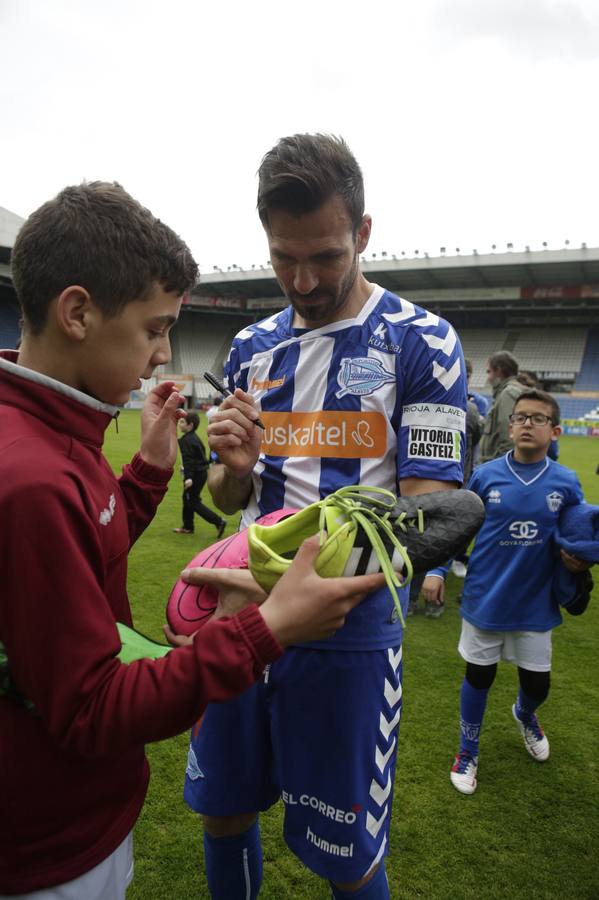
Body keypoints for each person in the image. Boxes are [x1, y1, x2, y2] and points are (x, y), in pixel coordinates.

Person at [0, 181, 388, 898]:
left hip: (62, 817)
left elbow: (81, 551)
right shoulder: (30, 474)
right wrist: (264, 629)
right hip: (47, 849)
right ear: (78, 312)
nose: (161, 355)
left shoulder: (49, 429)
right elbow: (90, 707)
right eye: (154, 329)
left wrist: (147, 474)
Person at [184, 133, 469, 899]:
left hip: (350, 632)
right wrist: (232, 470)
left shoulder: (422, 342)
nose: (302, 281)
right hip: (243, 612)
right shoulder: (251, 346)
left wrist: (316, 580)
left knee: (347, 855)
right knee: (223, 811)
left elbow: (426, 516)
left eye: (325, 257)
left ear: (364, 234)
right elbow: (223, 499)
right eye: (283, 258)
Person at [422, 389, 590, 795]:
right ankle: (467, 750)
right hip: (486, 597)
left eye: (538, 418)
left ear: (555, 430)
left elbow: (578, 536)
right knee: (479, 676)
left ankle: (525, 715)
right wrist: (439, 569)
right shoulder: (485, 475)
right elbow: (458, 526)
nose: (527, 424)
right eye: (521, 417)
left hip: (536, 600)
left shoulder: (566, 483)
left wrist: (578, 562)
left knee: (538, 686)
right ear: (510, 426)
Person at [174, 411, 226, 536]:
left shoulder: (187, 440)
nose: (179, 424)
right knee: (187, 499)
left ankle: (218, 521)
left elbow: (189, 461)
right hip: (200, 473)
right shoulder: (192, 438)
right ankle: (188, 527)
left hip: (196, 475)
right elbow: (200, 457)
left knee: (193, 501)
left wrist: (189, 477)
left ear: (190, 425)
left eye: (182, 422)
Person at [479, 350, 526, 463]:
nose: (488, 377)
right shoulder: (510, 391)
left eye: (488, 371)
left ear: (498, 371)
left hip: (498, 468)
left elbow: (508, 438)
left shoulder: (508, 393)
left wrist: (498, 468)